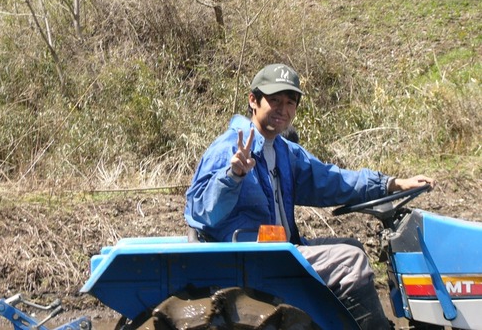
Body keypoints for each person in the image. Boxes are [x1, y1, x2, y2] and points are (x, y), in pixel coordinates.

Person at [184, 63, 436, 329]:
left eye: (290, 102)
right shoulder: (229, 147)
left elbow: (333, 180)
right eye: (274, 100)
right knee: (350, 263)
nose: (283, 109)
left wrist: (391, 183)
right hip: (252, 257)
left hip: (278, 248)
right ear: (253, 100)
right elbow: (200, 212)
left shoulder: (283, 151)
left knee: (352, 248)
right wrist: (233, 176)